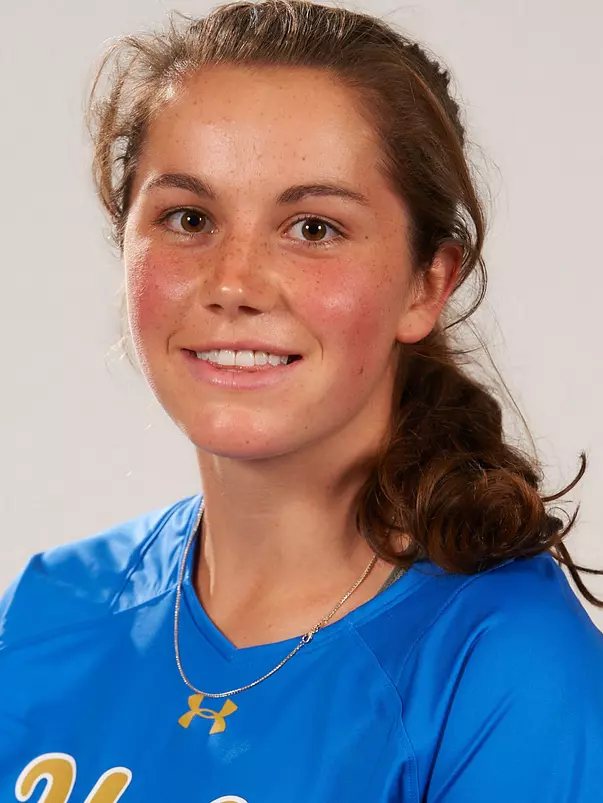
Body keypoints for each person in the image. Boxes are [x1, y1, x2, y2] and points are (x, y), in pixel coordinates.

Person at [1, 1, 602, 800]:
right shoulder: (45, 612)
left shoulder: (503, 671)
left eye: (313, 228)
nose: (233, 283)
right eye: (188, 218)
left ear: (428, 283)